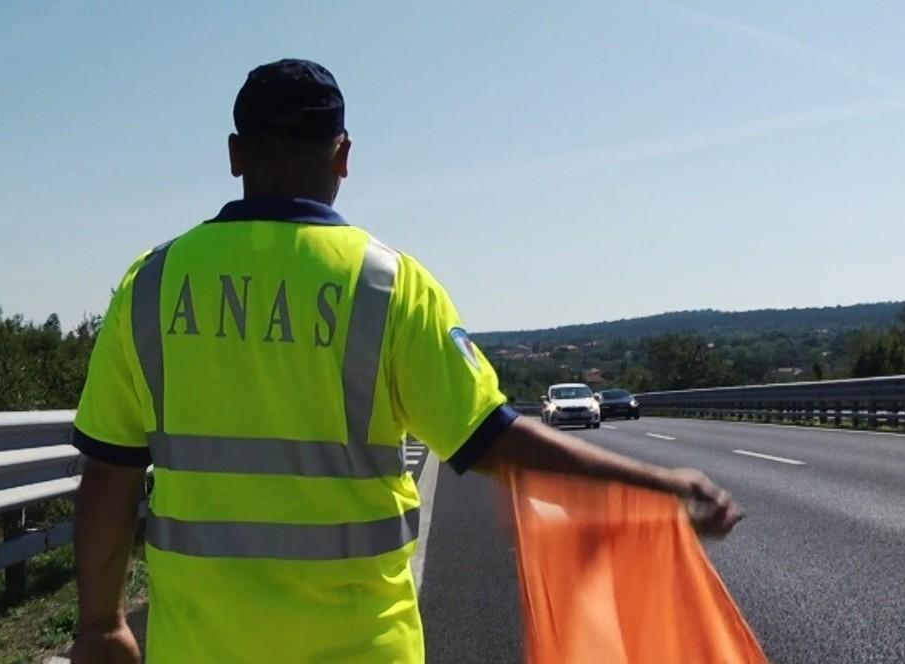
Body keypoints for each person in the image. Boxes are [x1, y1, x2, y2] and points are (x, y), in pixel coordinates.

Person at [69, 58, 742, 664]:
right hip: (365, 649)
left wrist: (101, 624)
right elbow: (496, 441)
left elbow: (109, 475)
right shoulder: (389, 286)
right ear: (344, 155)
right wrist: (656, 486)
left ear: (236, 154)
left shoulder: (151, 286)